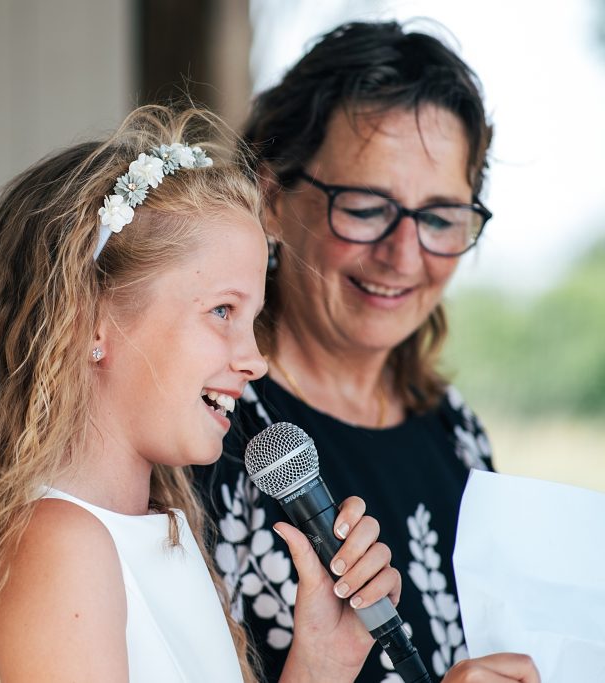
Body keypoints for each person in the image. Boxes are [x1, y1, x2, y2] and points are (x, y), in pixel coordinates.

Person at [0, 105, 408, 683]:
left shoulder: (156, 532)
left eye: (252, 319)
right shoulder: (63, 547)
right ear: (88, 320)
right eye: (221, 311)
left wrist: (322, 659)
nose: (254, 360)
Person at [195, 20, 539, 682]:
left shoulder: (456, 433)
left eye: (440, 217)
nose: (404, 255)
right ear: (271, 198)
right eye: (365, 206)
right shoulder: (208, 429)